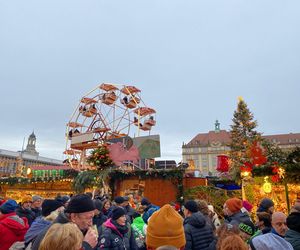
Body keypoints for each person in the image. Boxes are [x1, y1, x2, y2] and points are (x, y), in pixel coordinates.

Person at [31, 194, 98, 250]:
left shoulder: (74, 228)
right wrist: (86, 246)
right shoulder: (57, 234)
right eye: (89, 218)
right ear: (74, 216)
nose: (91, 223)